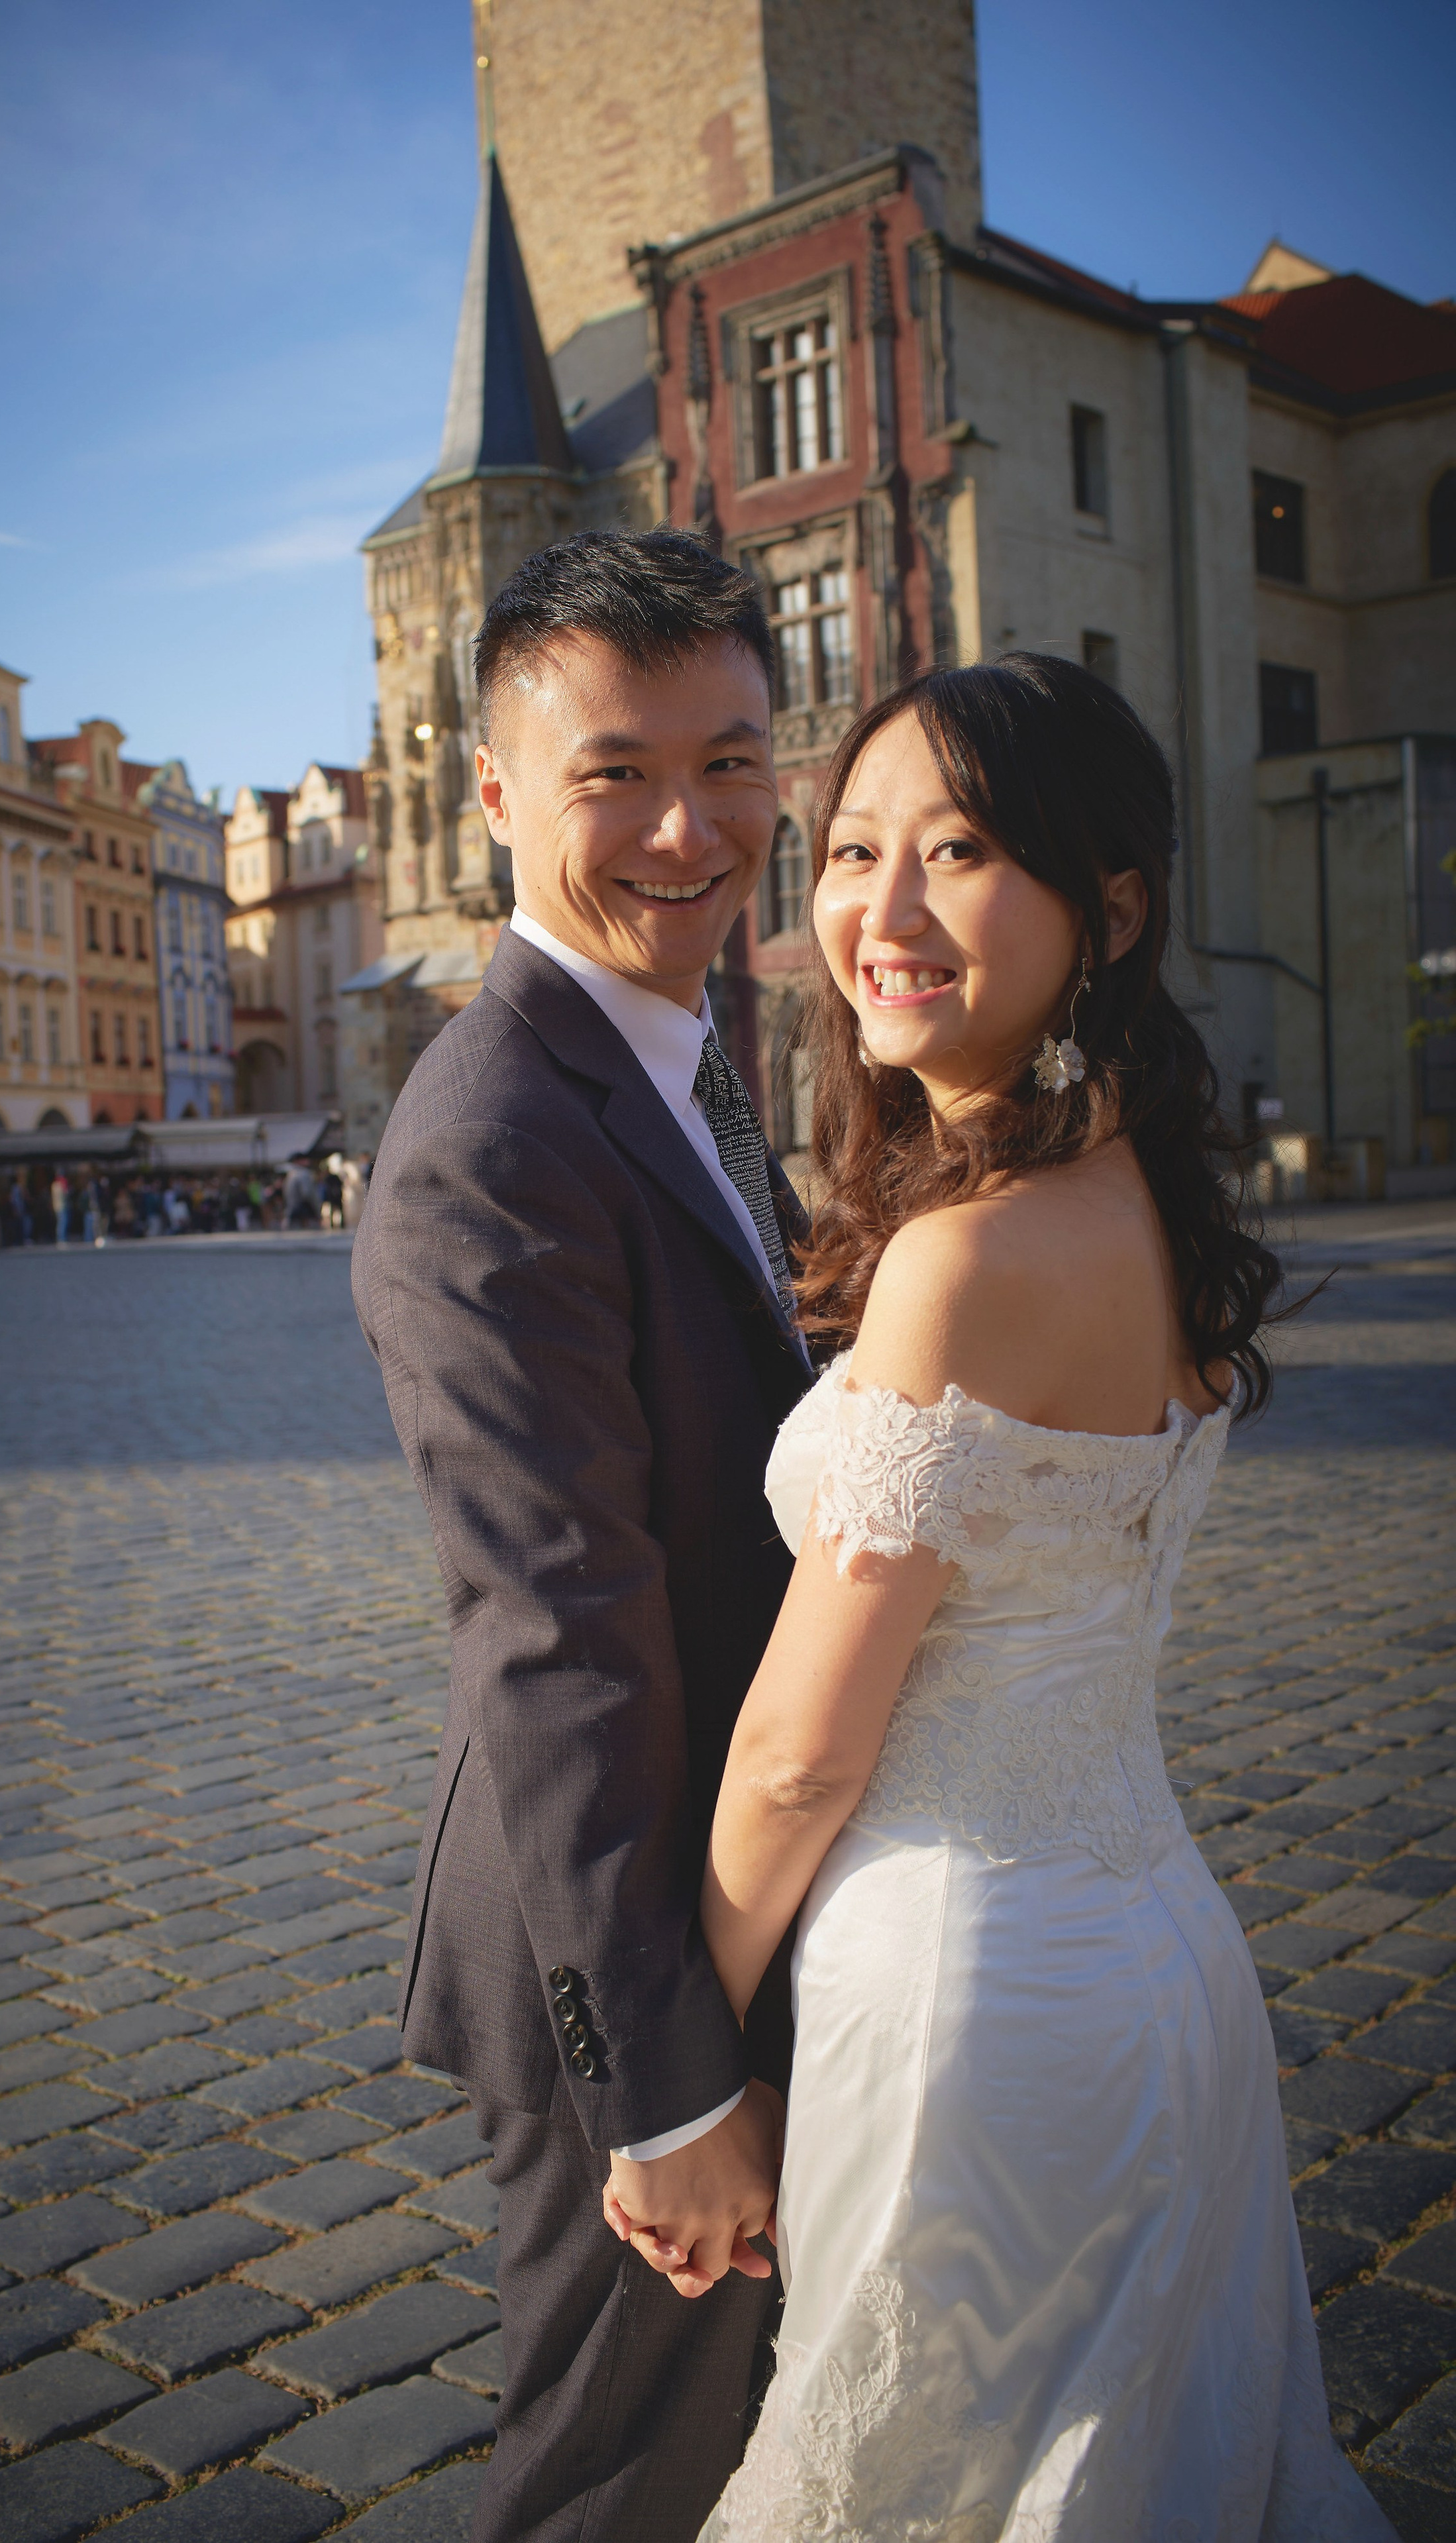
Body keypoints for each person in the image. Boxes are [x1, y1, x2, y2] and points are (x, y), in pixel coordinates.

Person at [668, 657, 1392, 2540]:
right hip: (1158, 1965)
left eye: (961, 851)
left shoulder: (964, 1262)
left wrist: (679, 2059)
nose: (879, 914)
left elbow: (800, 1753)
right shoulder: (1140, 1191)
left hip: (964, 2007)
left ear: (1112, 907)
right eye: (849, 854)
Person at [353, 531, 812, 2543]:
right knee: (621, 2484)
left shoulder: (690, 1046)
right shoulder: (492, 1136)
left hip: (757, 1898)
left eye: (731, 760)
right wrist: (674, 2087)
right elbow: (554, 1637)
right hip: (632, 1965)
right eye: (615, 770)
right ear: (494, 800)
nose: (687, 827)